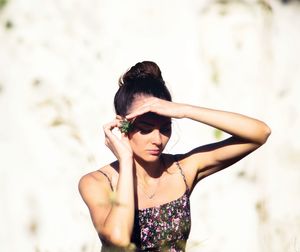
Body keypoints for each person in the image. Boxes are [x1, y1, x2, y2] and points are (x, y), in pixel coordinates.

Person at [78, 61, 271, 251]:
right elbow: (118, 239)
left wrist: (185, 111)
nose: (158, 140)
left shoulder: (182, 170)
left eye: (165, 128)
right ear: (122, 126)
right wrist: (126, 161)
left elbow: (259, 133)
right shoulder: (97, 182)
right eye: (145, 130)